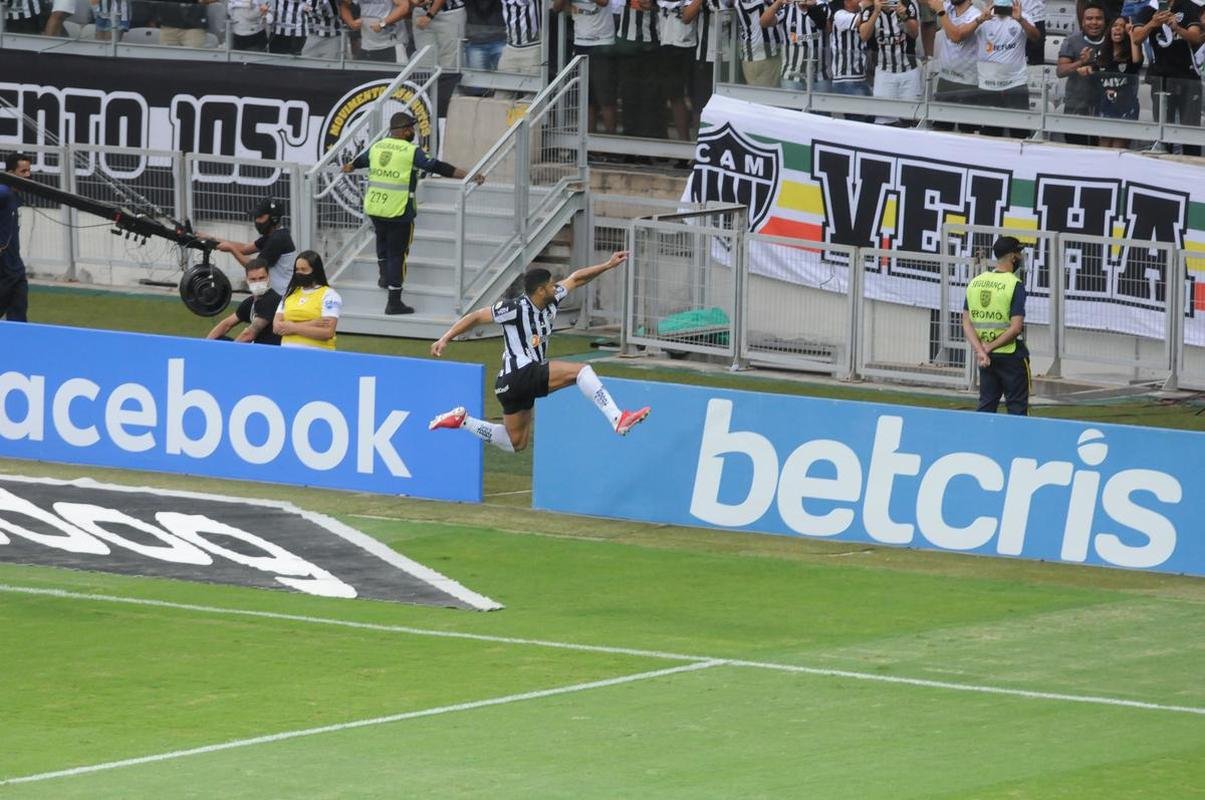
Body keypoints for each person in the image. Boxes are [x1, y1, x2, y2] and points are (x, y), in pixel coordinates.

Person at [428, 251, 651, 452]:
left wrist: (608, 265)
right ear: (540, 290)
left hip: (508, 386)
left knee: (516, 443)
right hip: (521, 373)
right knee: (582, 371)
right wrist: (446, 338)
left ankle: (464, 421)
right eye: (552, 285)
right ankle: (616, 417)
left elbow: (576, 278)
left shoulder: (552, 299)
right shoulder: (514, 308)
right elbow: (476, 316)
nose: (557, 288)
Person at [341, 111, 482, 315]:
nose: (413, 132)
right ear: (405, 130)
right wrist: (468, 175)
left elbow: (358, 161)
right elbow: (438, 167)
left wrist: (349, 166)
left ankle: (384, 277)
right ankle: (394, 301)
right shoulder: (410, 151)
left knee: (381, 244)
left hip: (375, 207)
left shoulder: (377, 146)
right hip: (399, 211)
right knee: (398, 255)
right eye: (411, 129)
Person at [962, 235, 1030, 415]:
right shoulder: (1014, 284)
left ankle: (980, 443)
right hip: (1011, 355)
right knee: (1017, 409)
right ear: (1013, 257)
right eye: (1019, 254)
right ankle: (1015, 444)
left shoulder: (976, 282)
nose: (1021, 258)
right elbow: (1016, 327)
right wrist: (990, 347)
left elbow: (966, 322)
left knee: (986, 406)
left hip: (986, 357)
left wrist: (981, 351)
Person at [1131, 0, 1203, 156]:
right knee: (1162, 133)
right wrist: (1152, 23)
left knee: (1190, 131)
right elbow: (1136, 38)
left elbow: (1196, 37)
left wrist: (1176, 27)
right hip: (1161, 79)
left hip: (1188, 77)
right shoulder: (1147, 11)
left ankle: (1191, 172)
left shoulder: (1189, 6)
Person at [214, 198, 298, 297]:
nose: (256, 221)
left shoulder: (277, 239)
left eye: (260, 217)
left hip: (281, 297)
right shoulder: (272, 235)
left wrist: (231, 249)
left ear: (274, 218)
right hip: (274, 295)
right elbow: (245, 248)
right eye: (256, 217)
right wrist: (210, 239)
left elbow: (255, 268)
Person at [859, 0, 922, 125]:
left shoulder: (907, 5)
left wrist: (904, 16)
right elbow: (864, 36)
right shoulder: (869, 11)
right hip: (884, 72)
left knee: (911, 118)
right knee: (884, 119)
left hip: (909, 71)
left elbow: (914, 34)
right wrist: (876, 12)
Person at [926, 0, 983, 131]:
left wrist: (941, 12)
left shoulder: (976, 15)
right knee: (941, 128)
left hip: (968, 83)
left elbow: (956, 36)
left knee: (967, 130)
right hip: (946, 80)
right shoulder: (948, 8)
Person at [1057, 3, 1107, 145]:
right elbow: (1060, 71)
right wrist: (1081, 62)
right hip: (1076, 108)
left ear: (1104, 21)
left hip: (1104, 109)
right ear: (1083, 21)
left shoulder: (1112, 40)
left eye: (1098, 18)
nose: (1094, 22)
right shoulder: (1071, 41)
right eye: (1089, 18)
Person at [273, 251, 342, 349]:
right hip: (288, 355)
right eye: (297, 270)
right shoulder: (289, 294)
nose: (299, 273)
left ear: (315, 271)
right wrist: (311, 323)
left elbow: (327, 332)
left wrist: (292, 327)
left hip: (318, 356)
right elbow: (276, 327)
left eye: (304, 269)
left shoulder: (329, 295)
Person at [205, 259, 283, 344]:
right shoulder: (250, 302)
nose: (258, 282)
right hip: (255, 348)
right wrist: (206, 343)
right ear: (247, 280)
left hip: (268, 351)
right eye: (253, 279)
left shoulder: (272, 299)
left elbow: (249, 335)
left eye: (261, 278)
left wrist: (231, 351)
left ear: (268, 277)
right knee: (217, 340)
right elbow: (226, 324)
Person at [762, 0, 831, 94]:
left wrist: (814, 8)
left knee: (821, 107)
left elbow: (829, 30)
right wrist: (778, 2)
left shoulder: (823, 7)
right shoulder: (786, 9)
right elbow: (764, 22)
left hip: (820, 75)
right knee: (791, 108)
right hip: (792, 75)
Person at [1097, 15, 1143, 147]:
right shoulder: (1102, 55)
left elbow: (1137, 61)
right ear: (1109, 29)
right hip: (1105, 107)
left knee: (1118, 150)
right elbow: (1093, 73)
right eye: (1115, 25)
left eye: (1123, 26)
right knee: (1103, 150)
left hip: (1126, 108)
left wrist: (1132, 34)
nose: (1118, 29)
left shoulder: (1132, 54)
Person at [0, 153, 32, 323]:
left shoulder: (15, 195)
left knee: (19, 313)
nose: (28, 175)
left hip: (15, 266)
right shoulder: (4, 192)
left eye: (29, 170)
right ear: (11, 173)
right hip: (3, 265)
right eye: (23, 171)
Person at [341, 0, 410, 62]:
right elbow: (344, 5)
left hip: (393, 45)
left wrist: (382, 24)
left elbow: (404, 6)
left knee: (397, 75)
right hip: (366, 47)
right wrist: (351, 23)